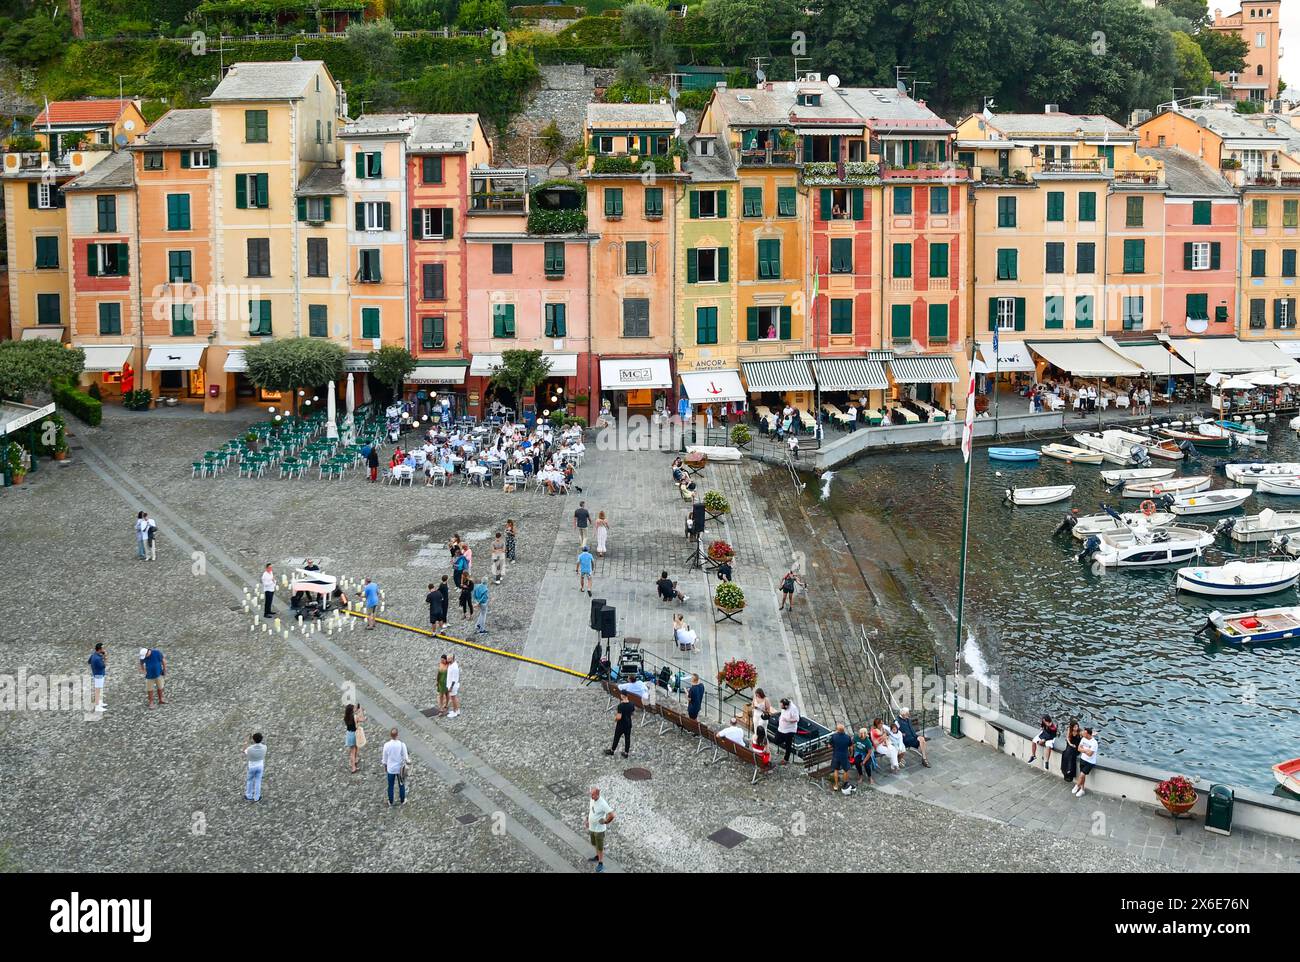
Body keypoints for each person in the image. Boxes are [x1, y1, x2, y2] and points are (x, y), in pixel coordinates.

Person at [586, 787, 614, 873]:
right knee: (594, 843)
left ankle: (600, 863)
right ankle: (597, 856)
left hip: (599, 830)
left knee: (600, 847)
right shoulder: (592, 799)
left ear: (597, 795)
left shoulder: (603, 803)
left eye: (593, 795)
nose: (591, 796)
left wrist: (606, 821)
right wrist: (587, 820)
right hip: (592, 827)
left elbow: (612, 815)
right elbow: (591, 810)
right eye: (591, 794)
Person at [382, 728, 410, 806]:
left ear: (390, 735)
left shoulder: (386, 745)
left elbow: (384, 758)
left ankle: (390, 801)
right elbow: (406, 757)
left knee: (390, 786)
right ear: (397, 735)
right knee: (401, 785)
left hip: (390, 768)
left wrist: (385, 766)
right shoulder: (402, 745)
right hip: (400, 769)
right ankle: (402, 800)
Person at [606, 691, 634, 758]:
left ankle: (612, 750)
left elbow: (619, 717)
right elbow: (632, 712)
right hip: (628, 724)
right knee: (627, 738)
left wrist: (615, 720)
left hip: (621, 724)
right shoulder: (632, 704)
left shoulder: (620, 706)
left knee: (617, 737)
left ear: (622, 695)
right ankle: (626, 753)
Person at [1074, 727, 1099, 798]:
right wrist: (1086, 750)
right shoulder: (1083, 739)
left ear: (1088, 734)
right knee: (1083, 776)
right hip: (1083, 759)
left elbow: (1090, 754)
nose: (1083, 734)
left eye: (1084, 733)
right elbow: (1079, 748)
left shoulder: (1094, 743)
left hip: (1090, 762)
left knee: (1082, 774)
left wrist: (1083, 750)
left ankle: (1077, 785)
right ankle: (1082, 790)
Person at [830, 723, 854, 794]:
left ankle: (836, 785)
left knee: (836, 770)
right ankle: (845, 784)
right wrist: (851, 754)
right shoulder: (847, 737)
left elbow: (829, 745)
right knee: (845, 770)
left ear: (837, 730)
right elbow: (851, 747)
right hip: (844, 756)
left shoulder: (834, 736)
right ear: (843, 730)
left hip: (836, 755)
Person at [244, 733, 267, 802]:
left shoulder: (250, 749)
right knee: (258, 781)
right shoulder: (264, 747)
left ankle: (249, 795)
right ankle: (257, 797)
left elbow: (244, 750)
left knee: (250, 780)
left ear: (253, 740)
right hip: (260, 766)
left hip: (251, 766)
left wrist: (246, 741)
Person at [776, 698, 799, 765]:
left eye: (782, 706)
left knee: (788, 745)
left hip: (789, 730)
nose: (781, 707)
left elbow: (797, 719)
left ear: (786, 706)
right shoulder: (784, 707)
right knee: (776, 740)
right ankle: (784, 740)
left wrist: (788, 720)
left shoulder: (793, 709)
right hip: (781, 728)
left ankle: (786, 759)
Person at [344, 702, 367, 773]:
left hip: (349, 734)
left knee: (354, 748)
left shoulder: (346, 717)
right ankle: (353, 767)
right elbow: (363, 719)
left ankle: (355, 759)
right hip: (355, 734)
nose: (355, 709)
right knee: (353, 751)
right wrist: (361, 711)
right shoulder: (355, 717)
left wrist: (357, 711)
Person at [1060, 718, 1082, 783]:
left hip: (1076, 747)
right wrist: (1070, 744)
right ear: (1072, 727)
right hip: (1070, 745)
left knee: (1070, 754)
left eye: (1077, 726)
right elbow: (1067, 738)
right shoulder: (1069, 729)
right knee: (1066, 754)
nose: (1076, 728)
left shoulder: (1080, 731)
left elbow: (1085, 735)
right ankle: (1066, 770)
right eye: (1075, 727)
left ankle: (1069, 770)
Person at [88, 643, 107, 712]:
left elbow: (89, 662)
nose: (104, 649)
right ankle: (97, 706)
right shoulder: (98, 658)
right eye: (103, 648)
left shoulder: (94, 655)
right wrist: (105, 658)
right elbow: (104, 665)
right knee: (97, 690)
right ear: (100, 649)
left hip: (97, 674)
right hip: (99, 675)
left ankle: (99, 702)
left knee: (99, 689)